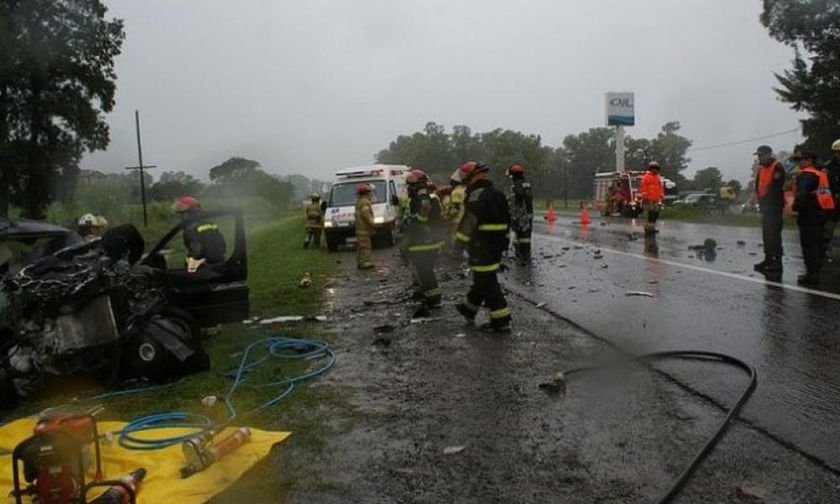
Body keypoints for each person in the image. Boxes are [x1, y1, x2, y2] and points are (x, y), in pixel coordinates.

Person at [454, 161, 512, 333]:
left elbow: (468, 223)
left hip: (481, 246)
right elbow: (507, 222)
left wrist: (458, 246)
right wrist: (504, 244)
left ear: (471, 177)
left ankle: (501, 321)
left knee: (488, 283)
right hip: (496, 247)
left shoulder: (475, 196)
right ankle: (468, 309)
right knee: (482, 278)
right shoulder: (497, 194)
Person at [791, 151, 835, 286]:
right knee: (816, 244)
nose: (799, 163)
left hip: (809, 214)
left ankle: (811, 275)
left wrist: (796, 209)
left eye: (801, 160)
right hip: (820, 212)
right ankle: (814, 273)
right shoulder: (820, 174)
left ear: (809, 160)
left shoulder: (806, 175)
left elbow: (802, 195)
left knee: (809, 246)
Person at [405, 170, 443, 317]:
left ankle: (434, 299)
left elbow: (422, 217)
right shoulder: (426, 197)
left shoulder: (423, 198)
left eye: (411, 185)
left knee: (425, 271)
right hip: (427, 241)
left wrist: (415, 223)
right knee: (424, 271)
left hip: (423, 242)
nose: (409, 188)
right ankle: (429, 296)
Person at [752, 145, 786, 274]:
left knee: (774, 235)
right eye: (758, 156)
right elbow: (758, 186)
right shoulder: (761, 169)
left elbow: (775, 188)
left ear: (768, 155)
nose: (760, 158)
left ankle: (777, 262)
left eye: (761, 155)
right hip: (765, 208)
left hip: (774, 207)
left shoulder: (777, 167)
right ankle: (768, 259)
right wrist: (756, 201)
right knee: (766, 235)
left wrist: (766, 201)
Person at [172, 196, 226, 272]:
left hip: (203, 268)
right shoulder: (211, 224)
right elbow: (222, 244)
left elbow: (196, 250)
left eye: (182, 213)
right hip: (219, 264)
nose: (180, 217)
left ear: (190, 213)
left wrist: (188, 263)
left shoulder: (191, 228)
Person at [506, 164, 534, 260]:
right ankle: (526, 254)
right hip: (528, 215)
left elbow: (515, 201)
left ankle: (521, 255)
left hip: (520, 216)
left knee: (519, 235)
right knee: (526, 236)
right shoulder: (527, 184)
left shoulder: (517, 185)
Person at [823, 139, 840, 257]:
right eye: (837, 152)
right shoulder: (829, 167)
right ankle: (823, 250)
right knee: (828, 229)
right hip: (832, 203)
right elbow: (824, 186)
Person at [639, 162, 664, 235]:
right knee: (648, 214)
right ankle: (647, 228)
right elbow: (644, 188)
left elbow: (660, 187)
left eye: (656, 169)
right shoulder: (646, 177)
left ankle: (652, 227)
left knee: (655, 214)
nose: (655, 170)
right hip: (648, 199)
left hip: (656, 199)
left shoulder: (658, 177)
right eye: (653, 168)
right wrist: (645, 197)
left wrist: (661, 196)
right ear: (650, 169)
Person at [355, 183, 375, 270]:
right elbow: (366, 214)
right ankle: (365, 262)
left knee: (361, 246)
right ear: (366, 193)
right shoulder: (365, 202)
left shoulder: (359, 201)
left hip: (360, 228)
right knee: (365, 246)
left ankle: (360, 261)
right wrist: (372, 223)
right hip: (364, 228)